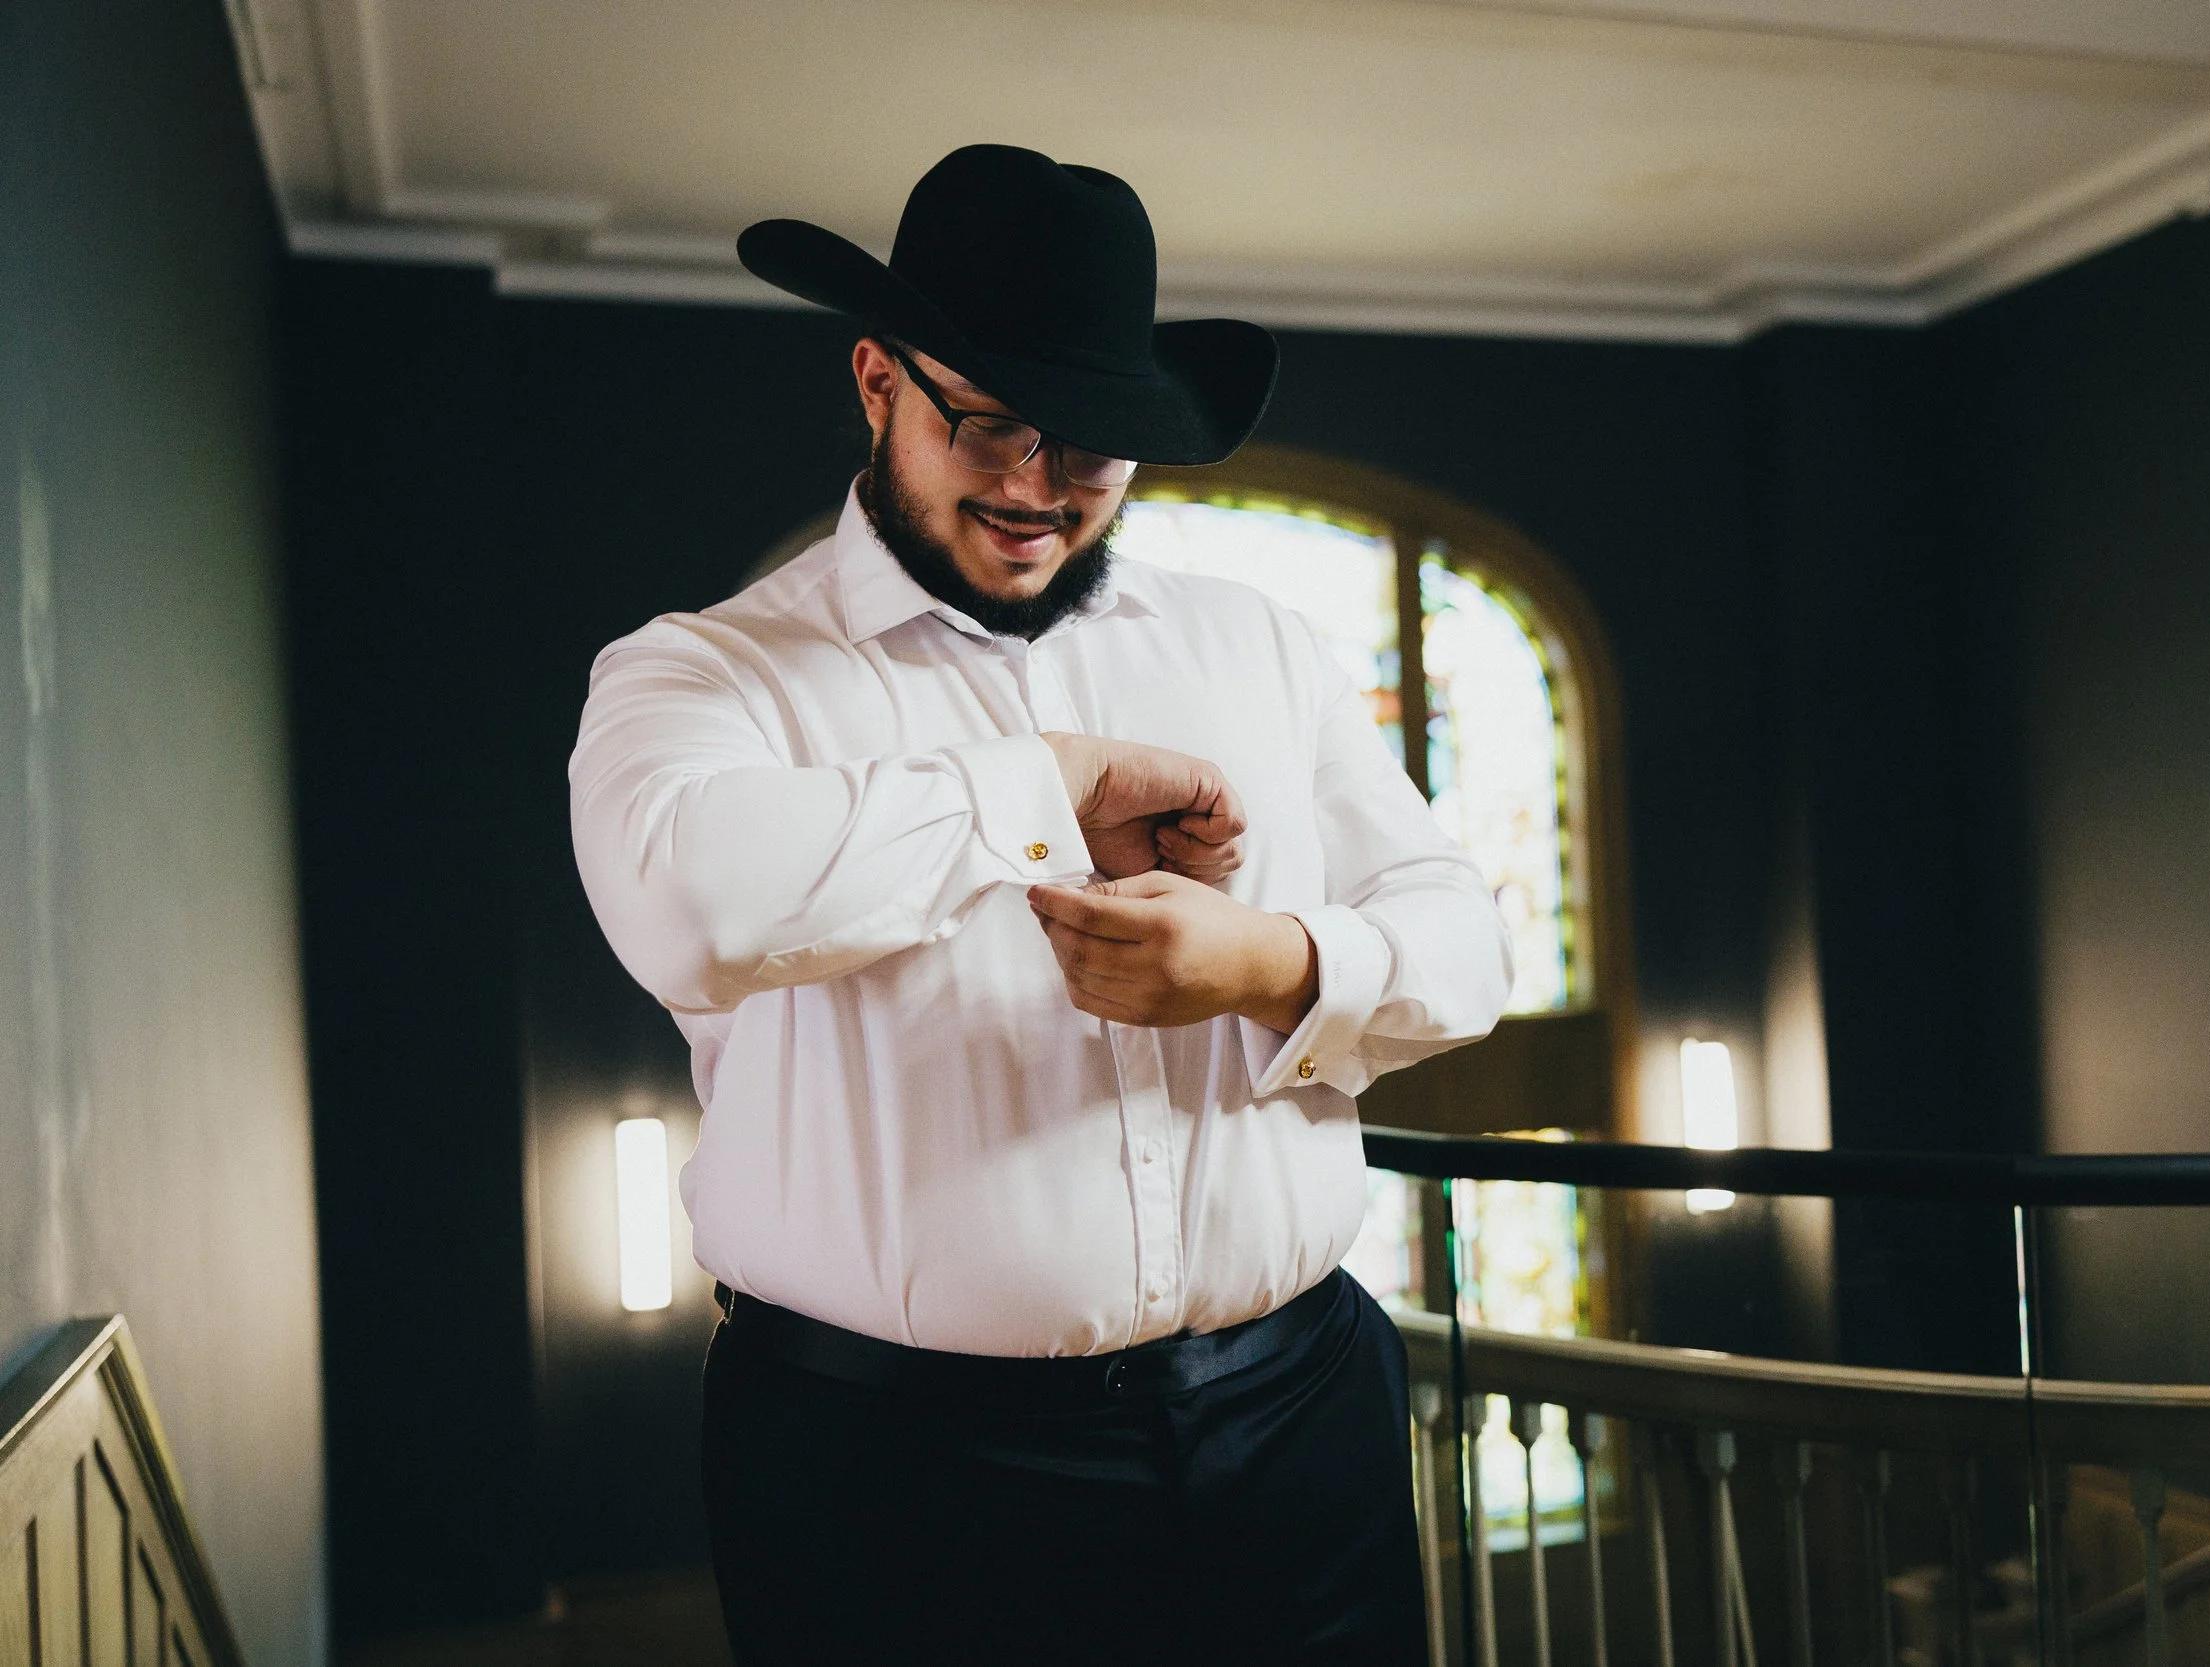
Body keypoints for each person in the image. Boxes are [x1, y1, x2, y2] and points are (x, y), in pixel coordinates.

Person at [569, 144, 1512, 1666]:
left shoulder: (1259, 643)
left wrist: (1271, 961)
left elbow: (1468, 942)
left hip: (1298, 1413)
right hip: (895, 1472)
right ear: (878, 379)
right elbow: (688, 903)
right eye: (992, 424)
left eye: (1092, 447)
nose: (1036, 489)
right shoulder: (704, 671)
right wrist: (1038, 788)